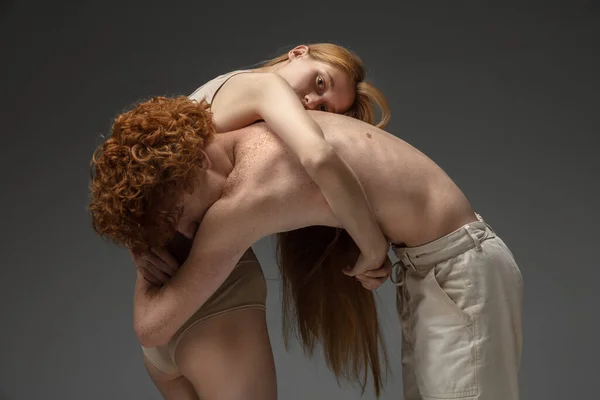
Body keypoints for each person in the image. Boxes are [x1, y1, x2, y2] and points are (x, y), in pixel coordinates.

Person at [89, 97, 523, 400]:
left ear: (198, 162)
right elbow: (144, 147)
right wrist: (142, 243)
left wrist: (148, 278)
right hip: (436, 269)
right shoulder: (243, 126)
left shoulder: (247, 198)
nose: (188, 230)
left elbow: (153, 328)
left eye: (183, 213)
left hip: (460, 270)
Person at [92, 43, 393, 400]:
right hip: (210, 302)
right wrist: (372, 245)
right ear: (299, 53)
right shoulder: (263, 88)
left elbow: (132, 178)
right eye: (320, 82)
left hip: (175, 299)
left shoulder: (199, 106)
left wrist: (140, 251)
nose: (312, 102)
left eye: (325, 107)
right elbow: (318, 155)